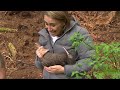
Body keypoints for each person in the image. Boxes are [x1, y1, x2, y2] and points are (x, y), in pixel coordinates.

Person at [35, 11, 95, 79]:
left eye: (53, 25)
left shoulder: (79, 34)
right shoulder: (44, 34)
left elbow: (90, 60)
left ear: (63, 22)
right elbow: (39, 65)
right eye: (46, 23)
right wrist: (39, 56)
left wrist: (64, 70)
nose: (49, 29)